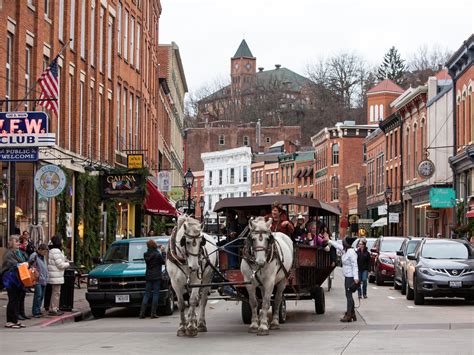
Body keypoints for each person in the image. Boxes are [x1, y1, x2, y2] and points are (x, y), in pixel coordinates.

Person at [329, 236, 359, 322]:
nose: (342, 243)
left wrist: (356, 278)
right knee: (348, 295)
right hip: (347, 276)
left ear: (347, 244)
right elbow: (337, 246)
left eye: (344, 242)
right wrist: (329, 241)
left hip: (350, 277)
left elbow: (355, 265)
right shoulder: (345, 250)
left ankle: (349, 315)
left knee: (348, 295)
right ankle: (352, 313)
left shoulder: (351, 253)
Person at [1, 235, 27, 329]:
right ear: (11, 243)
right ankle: (9, 321)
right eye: (16, 241)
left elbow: (21, 262)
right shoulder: (8, 253)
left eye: (18, 241)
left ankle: (14, 320)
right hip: (10, 279)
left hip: (15, 279)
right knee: (12, 299)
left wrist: (26, 263)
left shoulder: (15, 252)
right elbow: (13, 264)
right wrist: (23, 264)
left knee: (16, 300)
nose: (18, 243)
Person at [139, 239, 166, 319]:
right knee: (155, 294)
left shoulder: (145, 254)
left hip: (148, 275)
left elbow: (152, 251)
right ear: (154, 245)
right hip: (156, 276)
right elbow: (163, 261)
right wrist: (163, 252)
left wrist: (157, 247)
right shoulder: (157, 254)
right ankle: (153, 313)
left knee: (147, 294)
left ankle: (142, 313)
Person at [47, 236, 70, 316]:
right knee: (56, 293)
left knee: (55, 292)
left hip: (55, 274)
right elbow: (59, 264)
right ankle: (54, 309)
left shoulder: (52, 250)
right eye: (61, 240)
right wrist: (68, 264)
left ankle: (53, 308)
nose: (62, 241)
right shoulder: (56, 251)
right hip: (56, 275)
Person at [29, 244, 49, 318]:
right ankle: (35, 311)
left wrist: (47, 277)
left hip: (43, 279)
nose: (45, 253)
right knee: (38, 295)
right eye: (44, 251)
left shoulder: (43, 257)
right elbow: (30, 266)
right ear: (40, 249)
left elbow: (45, 267)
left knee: (41, 296)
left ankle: (38, 309)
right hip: (37, 279)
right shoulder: (34, 256)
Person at [17, 235, 30, 320]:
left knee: (22, 295)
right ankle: (18, 313)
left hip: (24, 273)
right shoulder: (19, 251)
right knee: (19, 296)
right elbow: (20, 261)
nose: (26, 243)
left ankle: (22, 312)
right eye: (25, 242)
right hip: (20, 274)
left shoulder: (24, 251)